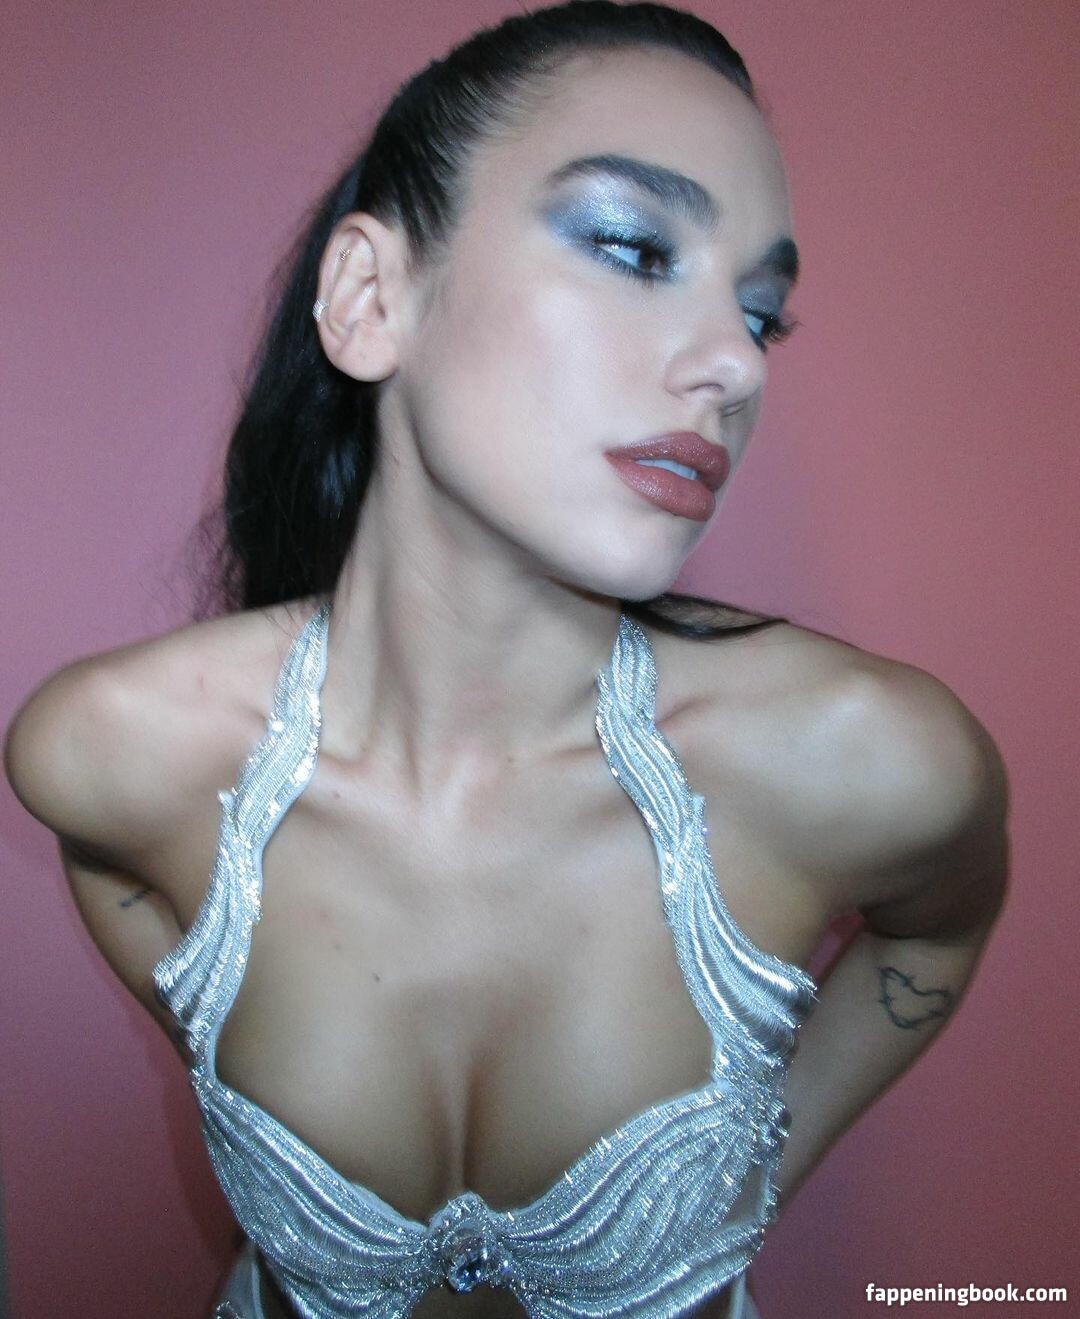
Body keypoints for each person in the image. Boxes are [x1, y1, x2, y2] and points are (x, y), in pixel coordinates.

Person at [3, 2, 1010, 1316]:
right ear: (371, 300)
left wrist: (753, 1172)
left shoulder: (868, 759)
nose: (731, 364)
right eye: (632, 247)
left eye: (761, 315)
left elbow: (939, 928)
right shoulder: (111, 757)